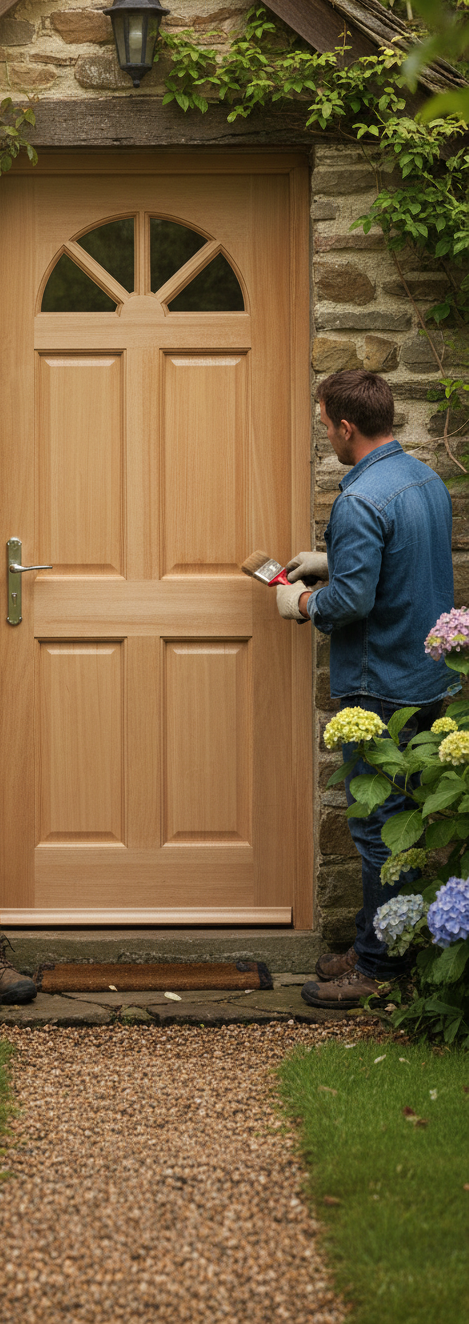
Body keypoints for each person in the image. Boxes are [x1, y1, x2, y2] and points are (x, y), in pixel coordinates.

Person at [276, 369, 456, 1006]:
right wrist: (331, 558)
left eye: (325, 422)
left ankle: (377, 967)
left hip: (379, 683)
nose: (325, 432)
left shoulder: (359, 500)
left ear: (346, 427)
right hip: (426, 676)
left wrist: (301, 603)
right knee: (403, 820)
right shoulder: (424, 479)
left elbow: (351, 602)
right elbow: (403, 558)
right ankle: (374, 941)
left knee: (379, 827)